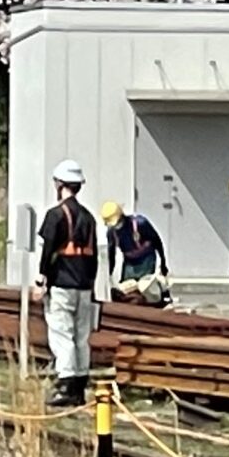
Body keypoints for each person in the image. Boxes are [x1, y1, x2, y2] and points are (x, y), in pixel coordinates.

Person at [33, 158, 100, 407]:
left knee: (62, 334)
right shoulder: (90, 218)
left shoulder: (56, 215)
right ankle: (80, 383)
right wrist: (92, 286)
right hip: (84, 285)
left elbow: (48, 249)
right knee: (82, 335)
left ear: (59, 184)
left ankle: (66, 384)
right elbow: (95, 256)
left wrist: (41, 279)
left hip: (61, 283)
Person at [103, 200, 170, 306]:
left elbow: (157, 241)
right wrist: (108, 274)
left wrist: (163, 262)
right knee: (128, 290)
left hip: (146, 259)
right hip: (130, 262)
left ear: (122, 216)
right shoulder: (112, 233)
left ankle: (158, 300)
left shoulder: (140, 223)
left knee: (146, 288)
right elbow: (112, 254)